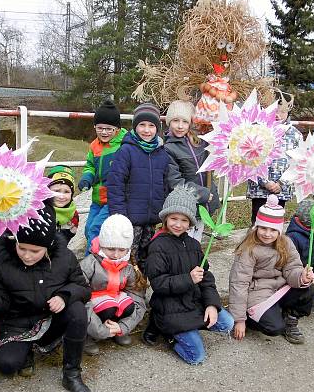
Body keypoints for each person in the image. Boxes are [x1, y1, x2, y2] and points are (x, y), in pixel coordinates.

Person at [0, 202, 94, 392]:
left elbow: (83, 288)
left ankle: (72, 374)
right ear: (15, 239)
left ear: (48, 246)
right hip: (16, 323)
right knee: (7, 364)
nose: (27, 255)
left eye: (35, 251)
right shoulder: (1, 258)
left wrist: (64, 296)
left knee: (76, 310)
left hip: (49, 318)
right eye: (22, 248)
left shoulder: (64, 258)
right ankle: (27, 350)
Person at [144, 186, 234, 365]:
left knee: (227, 323)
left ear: (191, 223)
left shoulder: (193, 244)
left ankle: (190, 327)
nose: (178, 224)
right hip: (170, 306)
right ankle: (169, 333)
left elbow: (206, 278)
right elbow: (159, 283)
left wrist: (211, 304)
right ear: (165, 218)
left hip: (194, 301)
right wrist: (188, 279)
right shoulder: (157, 246)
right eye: (174, 218)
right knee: (196, 357)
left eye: (184, 220)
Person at [105, 102, 183, 271]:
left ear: (157, 128)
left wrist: (164, 212)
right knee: (127, 257)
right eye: (142, 125)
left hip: (152, 218)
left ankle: (140, 288)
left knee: (147, 257)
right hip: (130, 219)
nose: (146, 130)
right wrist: (119, 216)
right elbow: (115, 184)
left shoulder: (161, 153)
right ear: (135, 127)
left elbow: (165, 185)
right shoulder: (126, 151)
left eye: (151, 126)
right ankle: (122, 290)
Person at [229, 195, 314, 345]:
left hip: (280, 289)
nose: (267, 234)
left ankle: (291, 318)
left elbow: (292, 268)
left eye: (273, 230)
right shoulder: (248, 249)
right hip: (258, 294)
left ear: (279, 231)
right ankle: (251, 319)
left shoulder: (286, 242)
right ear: (256, 227)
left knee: (309, 289)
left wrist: (302, 277)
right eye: (263, 228)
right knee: (275, 328)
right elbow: (239, 284)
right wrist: (239, 319)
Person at [80, 214, 146, 355]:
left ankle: (116, 329)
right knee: (108, 307)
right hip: (94, 300)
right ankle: (88, 335)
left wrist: (124, 326)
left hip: (113, 298)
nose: (116, 255)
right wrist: (99, 330)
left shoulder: (128, 266)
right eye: (111, 249)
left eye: (121, 250)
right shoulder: (90, 263)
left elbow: (137, 297)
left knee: (128, 305)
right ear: (103, 244)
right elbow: (80, 299)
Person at [163, 99, 216, 241]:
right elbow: (175, 182)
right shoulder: (168, 149)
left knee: (196, 243)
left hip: (205, 206)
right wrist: (201, 193)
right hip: (185, 208)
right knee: (184, 243)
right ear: (169, 122)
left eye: (185, 122)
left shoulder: (199, 141)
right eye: (175, 121)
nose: (180, 126)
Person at [79, 99, 127, 253]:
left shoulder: (124, 145)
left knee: (95, 228)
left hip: (113, 199)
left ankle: (90, 262)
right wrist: (87, 178)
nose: (104, 132)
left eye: (109, 129)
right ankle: (99, 255)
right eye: (100, 128)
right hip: (97, 199)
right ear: (94, 127)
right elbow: (90, 165)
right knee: (88, 229)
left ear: (117, 129)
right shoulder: (94, 146)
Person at [246, 97, 303, 224]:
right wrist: (265, 182)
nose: (278, 115)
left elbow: (297, 162)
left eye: (282, 111)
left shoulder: (295, 135)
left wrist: (282, 183)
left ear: (288, 112)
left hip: (281, 188)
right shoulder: (256, 130)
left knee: (275, 221)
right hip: (260, 189)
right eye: (274, 111)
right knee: (258, 221)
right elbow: (250, 158)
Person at [47, 165, 80, 246]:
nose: (61, 196)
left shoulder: (73, 215)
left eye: (66, 192)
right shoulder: (40, 211)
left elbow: (67, 239)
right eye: (57, 191)